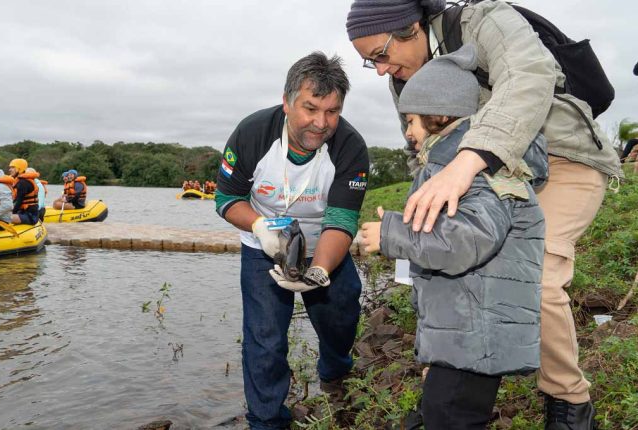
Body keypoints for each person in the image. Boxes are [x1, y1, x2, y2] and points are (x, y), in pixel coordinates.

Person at [345, 1, 622, 427]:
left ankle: (568, 401)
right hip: (487, 171)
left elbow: (529, 75)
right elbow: (424, 153)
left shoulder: (483, 20)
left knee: (537, 275)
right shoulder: (405, 75)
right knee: (456, 272)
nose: (381, 70)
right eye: (369, 63)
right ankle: (452, 390)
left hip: (565, 160)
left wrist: (469, 159)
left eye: (381, 54)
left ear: (412, 27)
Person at [361, 44, 546, 429]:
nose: (408, 133)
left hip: (477, 337)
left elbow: (468, 240)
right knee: (440, 414)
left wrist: (392, 234)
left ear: (439, 115)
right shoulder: (449, 168)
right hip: (465, 335)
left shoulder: (479, 171)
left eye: (410, 121)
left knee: (449, 417)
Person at [215, 52, 369, 429]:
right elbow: (226, 200)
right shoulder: (253, 133)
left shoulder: (351, 147)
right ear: (287, 102)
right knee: (265, 338)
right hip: (263, 248)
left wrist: (317, 271)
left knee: (342, 316)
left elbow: (342, 221)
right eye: (310, 108)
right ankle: (266, 420)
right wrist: (258, 228)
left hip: (325, 247)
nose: (320, 123)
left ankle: (334, 371)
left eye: (332, 111)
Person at [7, 159, 40, 225]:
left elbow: (18, 202)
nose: (9, 170)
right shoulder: (19, 181)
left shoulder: (23, 183)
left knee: (3, 217)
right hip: (22, 212)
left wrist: (8, 213)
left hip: (30, 216)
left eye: (13, 167)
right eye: (10, 167)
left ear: (19, 169)